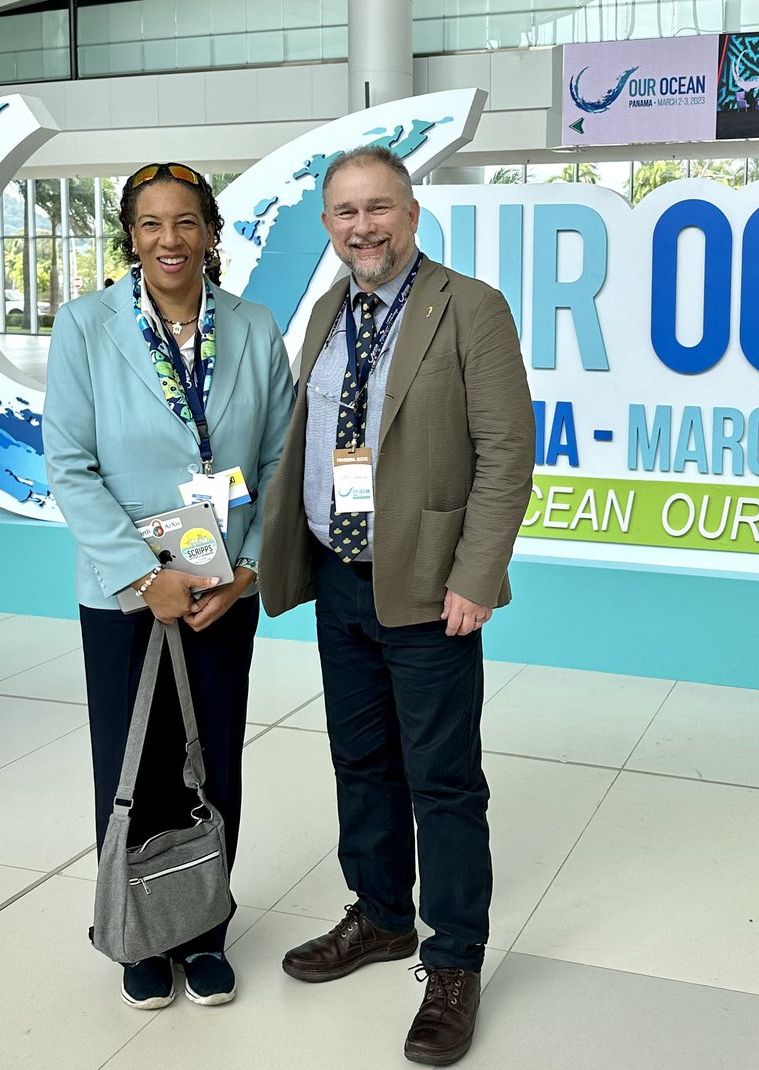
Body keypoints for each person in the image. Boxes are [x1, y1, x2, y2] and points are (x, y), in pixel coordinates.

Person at [259, 144, 534, 1066]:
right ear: (327, 225)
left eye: (379, 208)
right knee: (360, 758)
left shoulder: (472, 309)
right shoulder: (329, 311)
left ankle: (454, 958)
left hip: (424, 585)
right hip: (342, 579)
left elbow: (506, 455)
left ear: (412, 214)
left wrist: (475, 574)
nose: (363, 227)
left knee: (443, 778)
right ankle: (380, 914)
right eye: (345, 212)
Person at [43, 162, 294, 1011]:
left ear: (211, 234)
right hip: (127, 593)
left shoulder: (254, 327)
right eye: (150, 224)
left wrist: (250, 567)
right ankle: (140, 936)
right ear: (131, 237)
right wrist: (145, 576)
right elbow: (70, 469)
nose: (168, 240)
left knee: (211, 758)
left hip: (223, 586)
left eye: (185, 222)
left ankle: (205, 929)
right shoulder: (85, 327)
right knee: (131, 763)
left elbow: (280, 461)